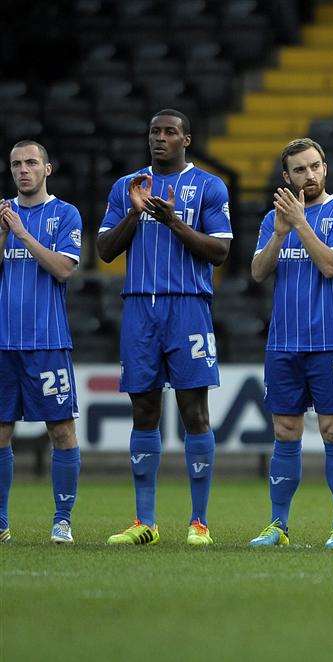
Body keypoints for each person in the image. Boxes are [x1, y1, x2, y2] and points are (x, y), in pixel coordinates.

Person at [97, 109, 232, 546]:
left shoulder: (209, 186)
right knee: (144, 409)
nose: (160, 138)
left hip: (188, 307)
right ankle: (145, 522)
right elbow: (103, 249)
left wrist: (173, 221)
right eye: (154, 131)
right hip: (139, 307)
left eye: (169, 132)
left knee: (195, 411)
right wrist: (135, 215)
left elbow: (220, 252)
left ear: (186, 139)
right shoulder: (127, 186)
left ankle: (199, 522)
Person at [247, 138, 333, 549]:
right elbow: (258, 271)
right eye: (299, 169)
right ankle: (277, 524)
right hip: (283, 342)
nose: (309, 175)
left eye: (315, 166)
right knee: (285, 430)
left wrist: (300, 224)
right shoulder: (273, 220)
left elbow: (332, 266)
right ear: (286, 177)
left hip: (330, 341)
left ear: (325, 168)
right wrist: (280, 233)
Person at [0, 140, 83, 544]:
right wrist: (3, 234)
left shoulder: (65, 214)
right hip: (3, 344)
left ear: (48, 168)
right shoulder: (1, 213)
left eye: (31, 162)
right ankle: (1, 523)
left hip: (47, 340)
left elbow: (63, 269)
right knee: (0, 432)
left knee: (62, 432)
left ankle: (62, 519)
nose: (23, 170)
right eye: (16, 164)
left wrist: (22, 234)